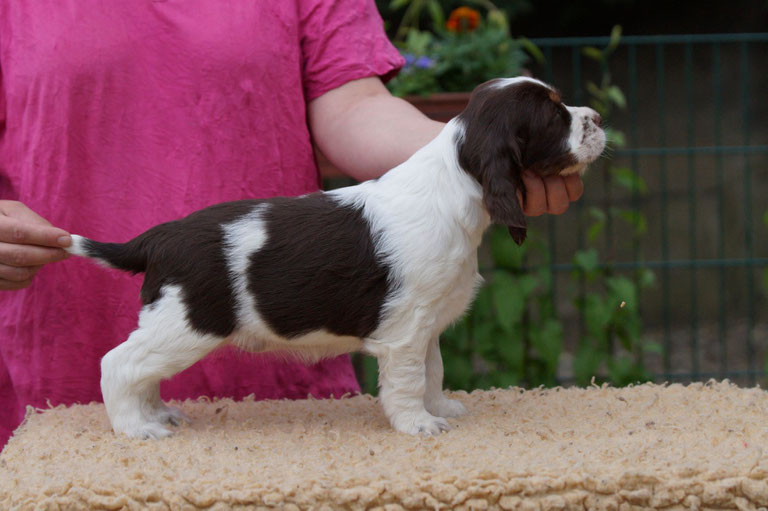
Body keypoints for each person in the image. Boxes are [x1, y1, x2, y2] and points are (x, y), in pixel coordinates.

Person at [0, 0, 583, 448]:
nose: (582, 121)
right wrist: (410, 415)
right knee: (176, 337)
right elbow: (401, 335)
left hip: (296, 408)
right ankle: (126, 390)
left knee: (416, 317)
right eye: (555, 117)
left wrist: (475, 163)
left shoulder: (442, 212)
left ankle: (423, 397)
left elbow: (353, 105)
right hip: (96, 327)